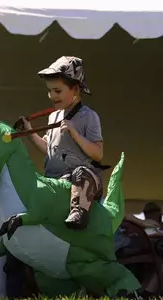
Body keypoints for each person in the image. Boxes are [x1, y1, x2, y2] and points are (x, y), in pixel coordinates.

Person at [18, 56, 104, 230]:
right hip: (54, 181)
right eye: (49, 91)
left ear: (75, 89)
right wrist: (29, 131)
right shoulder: (54, 116)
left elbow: (98, 153)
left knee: (82, 172)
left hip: (77, 182)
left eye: (57, 91)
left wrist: (74, 133)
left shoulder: (89, 116)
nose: (52, 96)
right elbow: (49, 149)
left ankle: (78, 212)